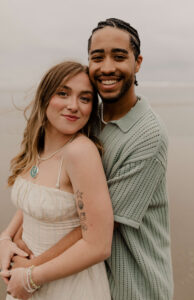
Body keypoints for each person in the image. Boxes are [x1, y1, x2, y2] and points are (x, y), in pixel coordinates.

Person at [1, 17, 174, 300]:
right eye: (97, 57)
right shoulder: (87, 120)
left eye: (119, 56)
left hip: (131, 282)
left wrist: (31, 268)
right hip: (74, 273)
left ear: (137, 62)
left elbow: (97, 230)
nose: (107, 67)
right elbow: (49, 193)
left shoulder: (147, 136)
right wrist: (8, 237)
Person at [0, 61, 113, 299]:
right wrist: (6, 237)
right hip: (26, 276)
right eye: (63, 93)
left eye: (85, 98)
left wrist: (31, 276)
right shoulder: (38, 147)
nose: (73, 106)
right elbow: (34, 201)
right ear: (45, 96)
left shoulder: (79, 152)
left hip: (67, 286)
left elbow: (98, 245)